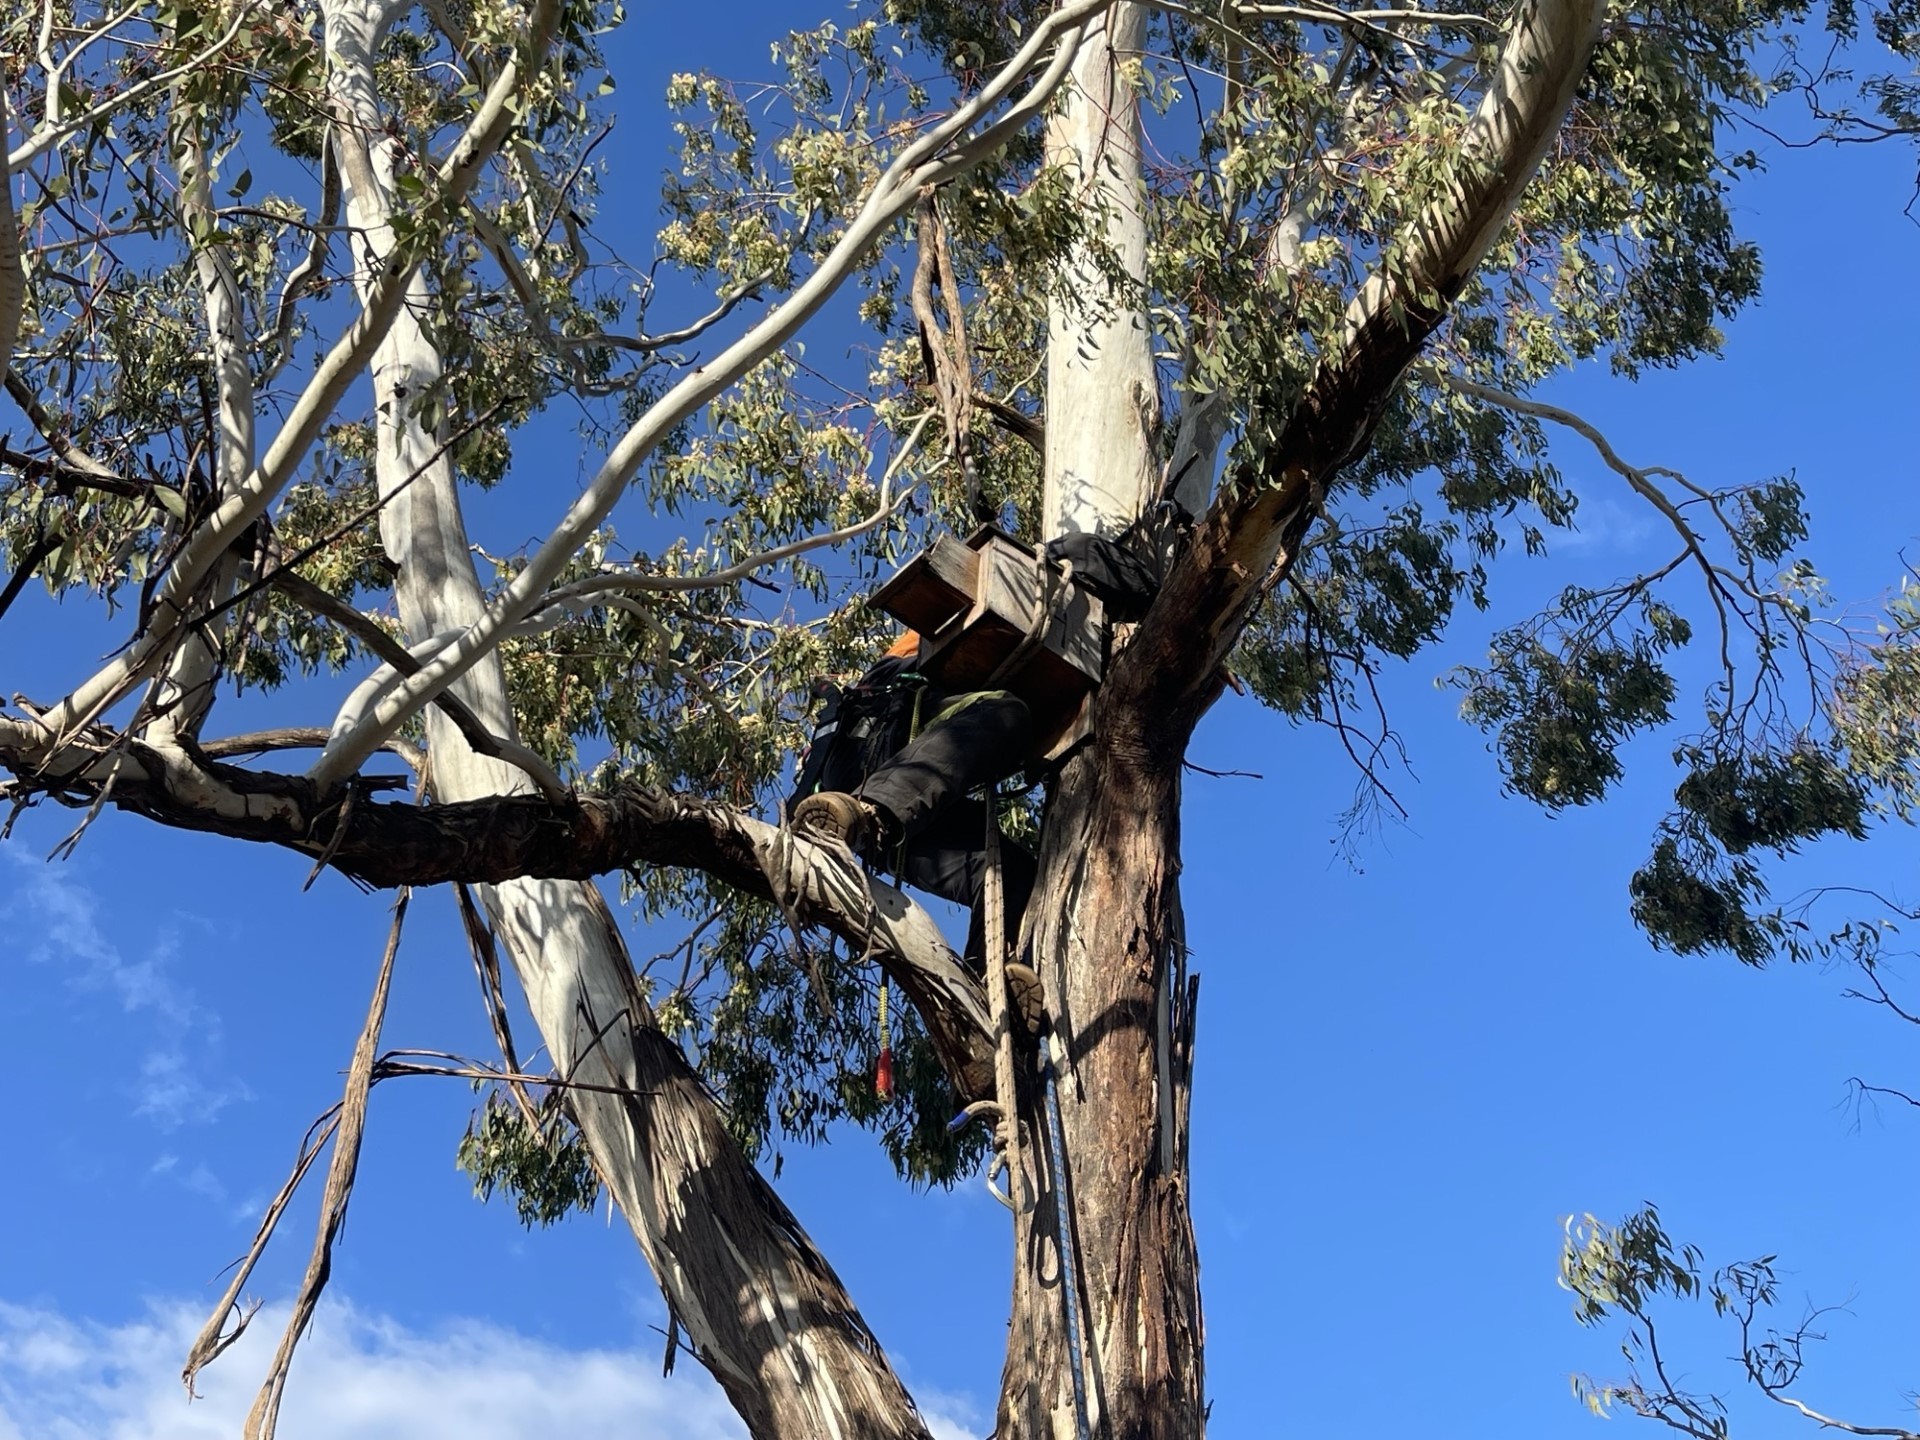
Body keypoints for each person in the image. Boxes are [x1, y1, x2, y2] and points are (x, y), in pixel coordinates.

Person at [789, 632, 1039, 1006]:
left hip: (900, 812)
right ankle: (871, 812)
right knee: (1004, 711)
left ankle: (983, 990)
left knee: (1010, 872)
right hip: (879, 739)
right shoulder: (914, 641)